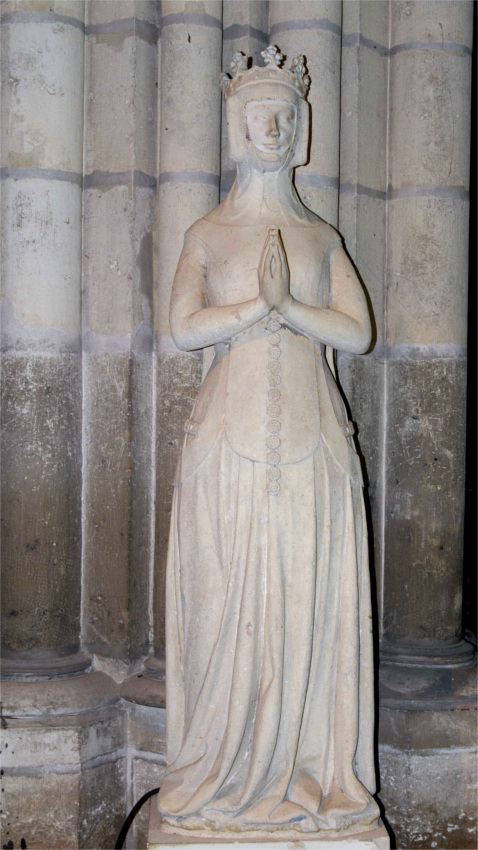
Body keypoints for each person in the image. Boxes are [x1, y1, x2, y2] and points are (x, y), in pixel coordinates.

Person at [156, 46, 381, 838]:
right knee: (226, 605)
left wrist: (294, 306)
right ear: (236, 125)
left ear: (303, 127)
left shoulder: (321, 236)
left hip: (315, 444)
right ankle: (219, 774)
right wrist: (261, 307)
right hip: (229, 442)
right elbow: (182, 328)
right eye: (260, 114)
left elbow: (356, 336)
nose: (274, 126)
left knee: (308, 601)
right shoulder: (209, 232)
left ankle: (311, 773)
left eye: (285, 114)